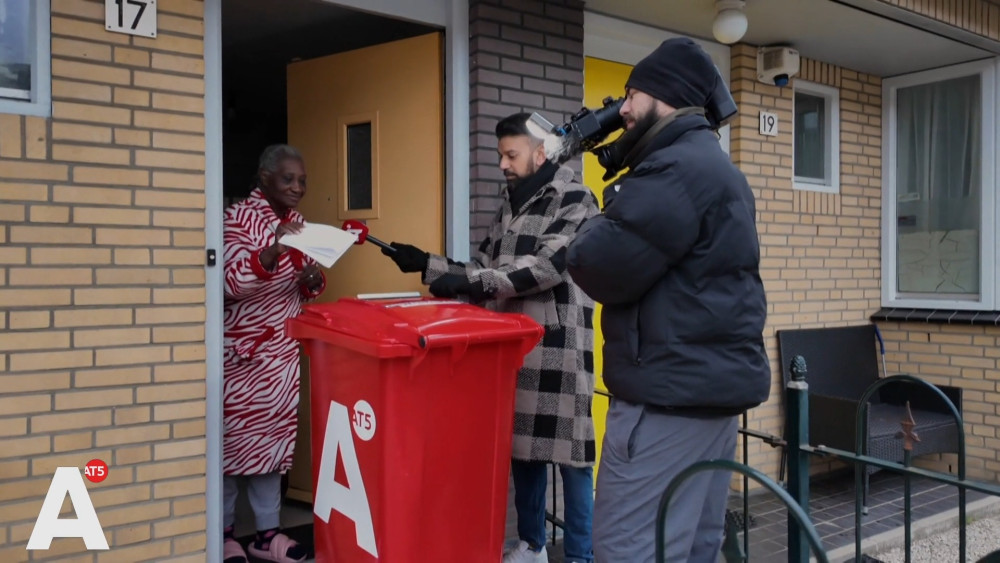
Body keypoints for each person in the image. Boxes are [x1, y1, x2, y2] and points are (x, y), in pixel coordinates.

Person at [565, 37, 771, 563]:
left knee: (630, 551)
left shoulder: (675, 170)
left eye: (631, 94)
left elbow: (596, 264)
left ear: (666, 96)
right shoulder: (713, 167)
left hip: (664, 411)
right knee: (692, 549)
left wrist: (588, 212)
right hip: (707, 404)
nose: (623, 108)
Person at [382, 112, 601, 563]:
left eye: (511, 154)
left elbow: (545, 268)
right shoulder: (511, 204)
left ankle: (582, 556)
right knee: (523, 452)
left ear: (541, 152)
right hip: (513, 345)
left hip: (558, 345)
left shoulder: (576, 198)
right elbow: (483, 263)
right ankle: (532, 546)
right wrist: (426, 264)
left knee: (573, 457)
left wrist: (469, 283)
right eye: (500, 154)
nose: (503, 163)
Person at [221, 144, 325, 563]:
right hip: (243, 357)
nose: (298, 187)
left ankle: (267, 536)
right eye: (288, 179)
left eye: (302, 180)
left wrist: (313, 280)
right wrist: (274, 250)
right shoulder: (236, 219)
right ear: (264, 178)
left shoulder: (300, 224)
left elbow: (307, 290)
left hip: (282, 359)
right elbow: (227, 283)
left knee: (272, 452)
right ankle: (224, 535)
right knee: (231, 451)